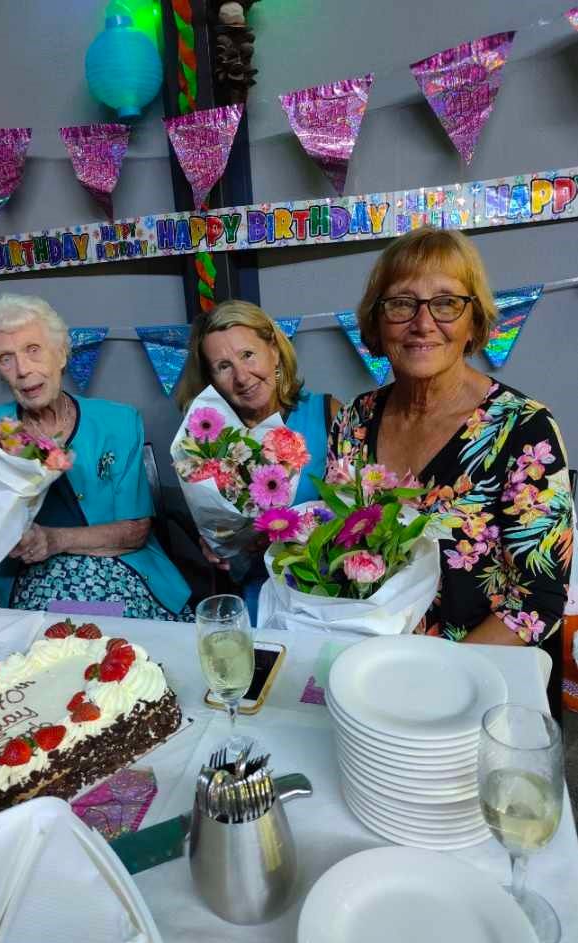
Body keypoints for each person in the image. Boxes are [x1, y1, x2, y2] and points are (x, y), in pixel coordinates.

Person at [327, 226, 573, 646]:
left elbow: (536, 603)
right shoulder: (354, 421)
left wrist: (431, 675)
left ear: (473, 320)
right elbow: (341, 552)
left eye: (446, 303)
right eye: (402, 303)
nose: (423, 323)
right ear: (378, 321)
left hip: (476, 676)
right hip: (370, 661)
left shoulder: (525, 430)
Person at [0, 294, 192, 642]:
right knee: (59, 653)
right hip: (32, 581)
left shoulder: (119, 422)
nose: (23, 369)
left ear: (62, 354)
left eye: (33, 349)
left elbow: (135, 531)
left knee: (125, 645)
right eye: (6, 358)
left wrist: (53, 540)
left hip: (125, 571)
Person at [176, 299, 340, 620]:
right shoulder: (210, 437)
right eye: (223, 366)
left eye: (247, 355)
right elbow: (216, 521)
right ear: (211, 378)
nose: (241, 376)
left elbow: (358, 511)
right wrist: (216, 542)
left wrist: (292, 531)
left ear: (275, 351)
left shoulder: (326, 412)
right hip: (260, 588)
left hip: (330, 583)